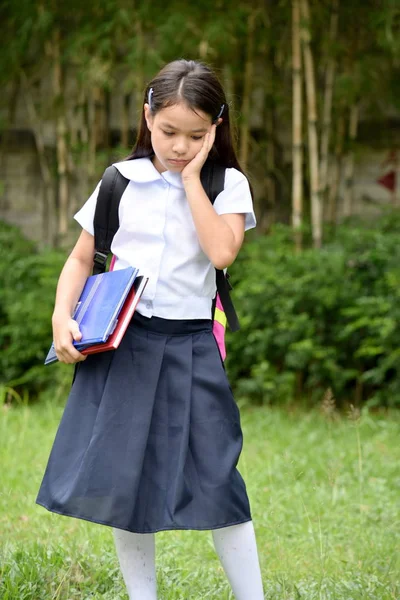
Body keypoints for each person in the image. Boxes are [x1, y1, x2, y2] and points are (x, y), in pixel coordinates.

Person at [36, 59, 265, 600]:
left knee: (218, 476)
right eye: (168, 132)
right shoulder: (120, 180)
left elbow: (222, 251)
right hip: (126, 345)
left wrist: (190, 182)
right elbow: (81, 257)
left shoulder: (225, 184)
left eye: (196, 134)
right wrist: (60, 316)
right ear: (147, 116)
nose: (180, 145)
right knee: (123, 478)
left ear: (217, 128)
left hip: (191, 345)